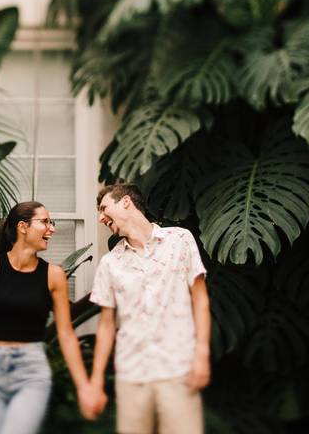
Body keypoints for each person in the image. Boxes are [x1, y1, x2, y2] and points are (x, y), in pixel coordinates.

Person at [82, 183, 211, 433]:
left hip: (178, 371)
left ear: (126, 202)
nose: (100, 217)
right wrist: (96, 382)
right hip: (132, 376)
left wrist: (202, 355)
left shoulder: (181, 240)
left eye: (104, 208)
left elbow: (200, 299)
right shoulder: (110, 263)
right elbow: (107, 325)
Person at [0, 200, 97, 434]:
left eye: (51, 222)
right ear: (23, 227)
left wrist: (84, 386)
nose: (52, 229)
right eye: (45, 222)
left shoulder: (54, 275)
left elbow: (66, 334)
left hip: (31, 372)